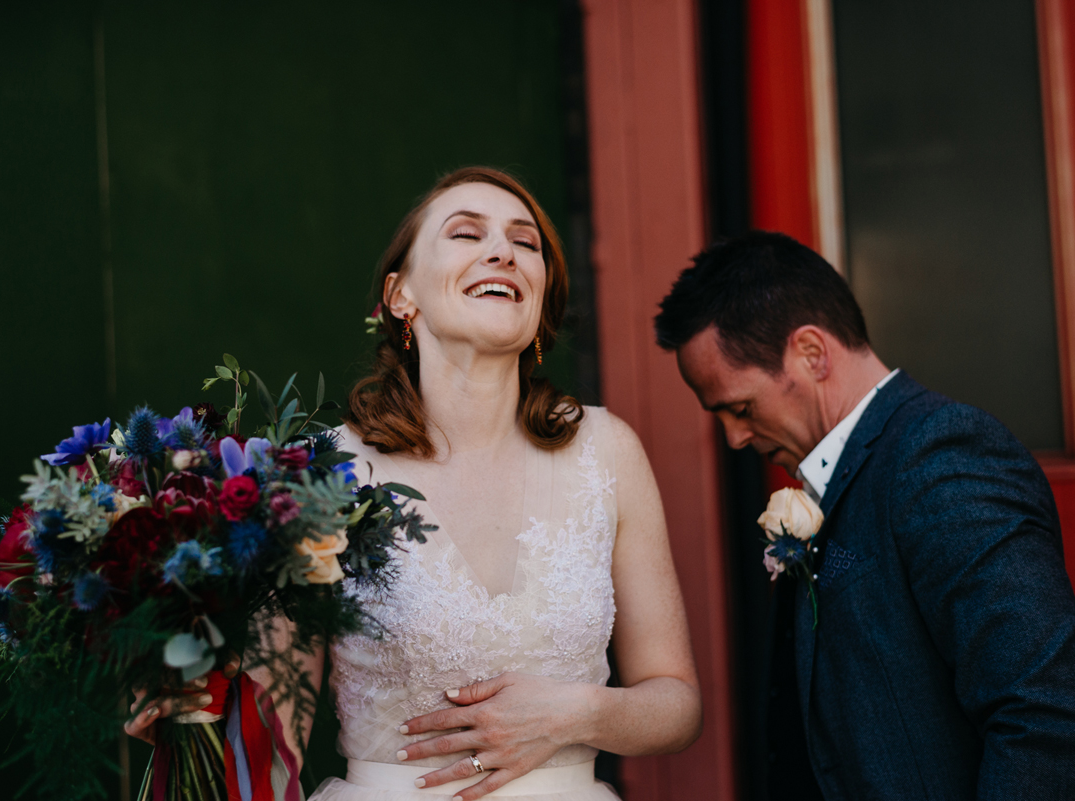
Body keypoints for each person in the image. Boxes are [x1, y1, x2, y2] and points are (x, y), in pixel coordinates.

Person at [126, 167, 703, 801]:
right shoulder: (322, 473)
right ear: (401, 296)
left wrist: (576, 714)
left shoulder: (606, 449)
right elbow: (276, 718)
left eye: (526, 242)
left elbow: (675, 703)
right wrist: (198, 716)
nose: (503, 252)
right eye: (465, 233)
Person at [655, 230, 1075, 800]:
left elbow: (1045, 711)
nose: (732, 438)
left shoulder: (941, 456)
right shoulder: (836, 478)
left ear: (811, 352)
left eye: (740, 407)